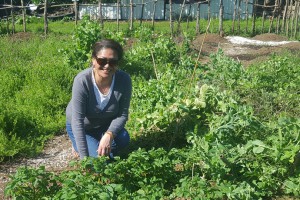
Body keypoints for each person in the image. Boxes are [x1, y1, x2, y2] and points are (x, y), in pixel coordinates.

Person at [66, 39, 132, 160]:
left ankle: (99, 144)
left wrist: (109, 134)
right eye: (102, 61)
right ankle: (78, 145)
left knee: (123, 138)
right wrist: (84, 159)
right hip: (83, 127)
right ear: (93, 60)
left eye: (112, 62)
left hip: (104, 125)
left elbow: (122, 115)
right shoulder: (82, 81)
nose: (107, 66)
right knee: (99, 161)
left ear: (118, 63)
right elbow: (77, 121)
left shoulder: (124, 80)